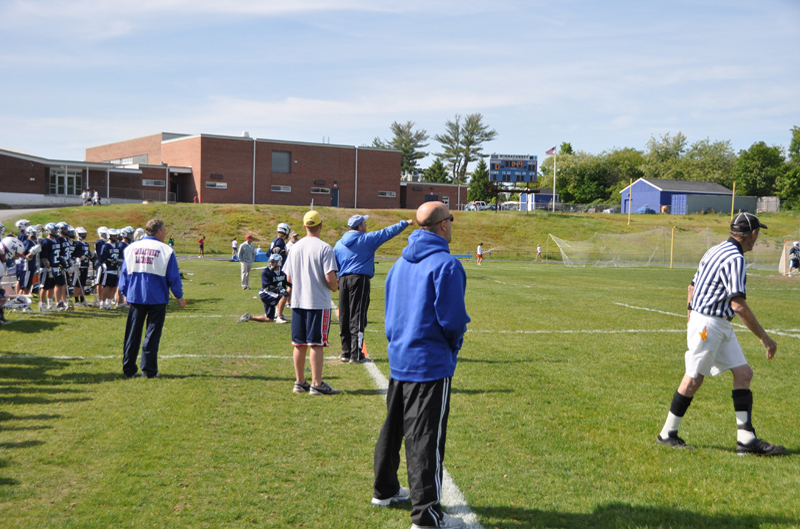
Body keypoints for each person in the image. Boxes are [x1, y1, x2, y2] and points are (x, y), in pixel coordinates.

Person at [372, 201, 470, 529]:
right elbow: (453, 320)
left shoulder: (400, 263)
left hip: (400, 356)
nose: (453, 224)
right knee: (426, 437)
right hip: (429, 362)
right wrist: (452, 347)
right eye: (452, 219)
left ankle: (384, 489)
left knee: (394, 427)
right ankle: (426, 514)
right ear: (443, 224)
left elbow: (389, 313)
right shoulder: (447, 265)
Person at [657, 213, 784, 456]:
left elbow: (691, 286)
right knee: (693, 379)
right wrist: (764, 338)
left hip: (713, 322)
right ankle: (667, 434)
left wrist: (690, 316)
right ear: (753, 234)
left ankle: (746, 439)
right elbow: (738, 305)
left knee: (744, 373)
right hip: (710, 324)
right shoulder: (735, 259)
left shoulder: (714, 250)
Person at [334, 214, 412, 363]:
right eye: (364, 223)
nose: (366, 226)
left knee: (344, 315)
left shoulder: (339, 243)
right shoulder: (367, 239)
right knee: (358, 316)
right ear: (360, 226)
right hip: (359, 279)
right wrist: (405, 223)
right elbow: (388, 232)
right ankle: (356, 354)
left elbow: (335, 263)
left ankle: (346, 352)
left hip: (343, 280)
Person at [281, 210, 339, 396]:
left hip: (297, 302)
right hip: (318, 303)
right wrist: (335, 286)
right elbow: (330, 278)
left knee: (298, 344)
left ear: (305, 226)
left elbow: (289, 277)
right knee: (316, 344)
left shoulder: (294, 248)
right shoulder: (324, 248)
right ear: (321, 225)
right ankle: (317, 384)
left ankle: (300, 382)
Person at [119, 218, 186, 378]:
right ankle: (148, 370)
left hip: (135, 295)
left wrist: (125, 292)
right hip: (157, 297)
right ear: (159, 231)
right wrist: (179, 296)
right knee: (152, 334)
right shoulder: (166, 250)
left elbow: (124, 273)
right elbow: (173, 276)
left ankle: (129, 369)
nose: (165, 233)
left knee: (132, 334)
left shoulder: (131, 248)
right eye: (164, 230)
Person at [238, 254, 291, 324]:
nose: (271, 263)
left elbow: (287, 283)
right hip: (265, 293)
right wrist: (279, 289)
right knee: (283, 295)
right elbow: (267, 286)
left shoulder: (281, 273)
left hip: (272, 293)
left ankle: (248, 317)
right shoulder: (266, 272)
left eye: (273, 262)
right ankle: (279, 316)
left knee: (269, 319)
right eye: (270, 262)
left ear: (278, 262)